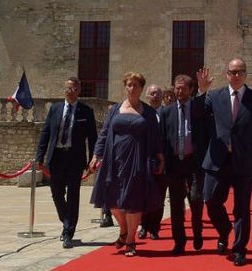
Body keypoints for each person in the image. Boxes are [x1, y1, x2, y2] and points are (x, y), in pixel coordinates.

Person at [196, 59, 252, 267]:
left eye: (240, 72)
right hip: (216, 160)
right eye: (232, 72)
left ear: (246, 74)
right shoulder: (214, 96)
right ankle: (224, 230)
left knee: (242, 209)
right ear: (226, 74)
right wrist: (202, 91)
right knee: (210, 201)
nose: (236, 75)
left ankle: (239, 249)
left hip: (244, 162)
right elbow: (197, 115)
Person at [89, 72, 165, 257]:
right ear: (125, 87)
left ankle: (131, 240)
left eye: (136, 86)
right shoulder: (115, 109)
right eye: (129, 85)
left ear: (141, 89)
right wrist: (96, 155)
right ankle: (123, 229)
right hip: (114, 159)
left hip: (138, 160)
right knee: (112, 199)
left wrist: (161, 159)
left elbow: (155, 137)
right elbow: (105, 133)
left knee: (133, 200)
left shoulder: (148, 112)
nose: (132, 88)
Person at [35, 77, 97, 249]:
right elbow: (45, 134)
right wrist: (39, 157)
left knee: (73, 195)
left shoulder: (86, 111)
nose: (71, 91)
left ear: (79, 91)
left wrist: (93, 160)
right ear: (64, 90)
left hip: (75, 159)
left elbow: (93, 138)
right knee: (56, 193)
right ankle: (66, 219)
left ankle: (68, 232)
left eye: (74, 88)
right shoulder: (55, 109)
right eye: (68, 88)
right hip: (56, 157)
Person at [162, 74, 207, 255]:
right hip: (174, 163)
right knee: (176, 205)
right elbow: (163, 138)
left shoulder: (198, 108)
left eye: (183, 88)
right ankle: (179, 242)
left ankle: (197, 231)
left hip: (194, 161)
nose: (179, 91)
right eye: (177, 88)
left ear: (190, 90)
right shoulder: (167, 112)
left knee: (196, 199)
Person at [138, 84, 168, 240]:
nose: (155, 96)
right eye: (152, 93)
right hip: (145, 161)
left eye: (158, 93)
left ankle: (155, 228)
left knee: (159, 197)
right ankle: (143, 226)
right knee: (143, 195)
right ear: (147, 96)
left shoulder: (167, 113)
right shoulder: (141, 114)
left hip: (163, 162)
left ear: (162, 96)